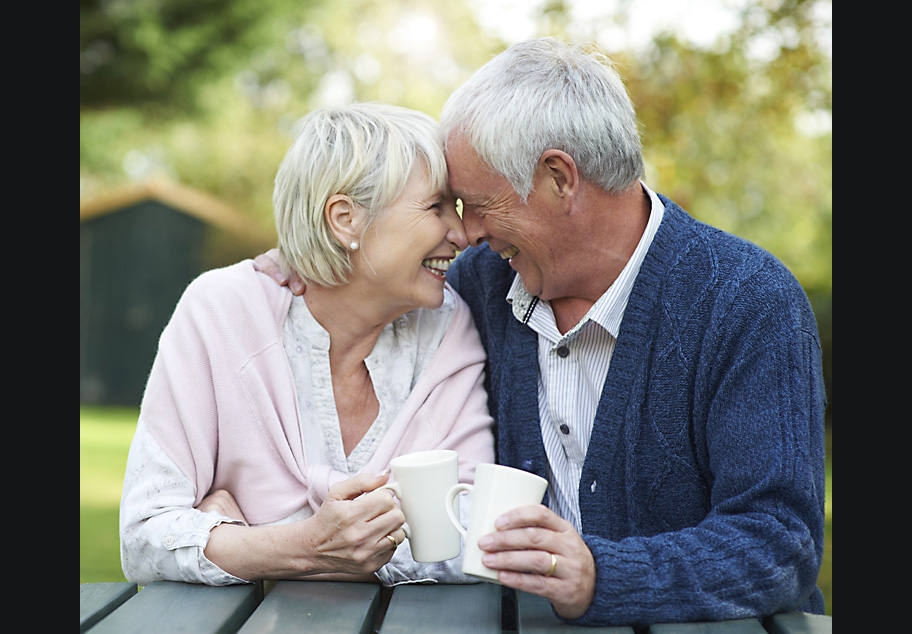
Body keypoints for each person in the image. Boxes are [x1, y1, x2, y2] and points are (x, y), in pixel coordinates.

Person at [256, 37, 827, 628]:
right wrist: (309, 260)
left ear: (559, 177)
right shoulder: (480, 283)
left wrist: (599, 575)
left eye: (477, 203)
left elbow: (780, 544)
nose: (464, 232)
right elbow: (373, 275)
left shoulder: (748, 301)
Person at [120, 102, 495, 588]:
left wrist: (248, 541)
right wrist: (308, 544)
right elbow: (144, 536)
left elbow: (473, 533)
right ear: (345, 219)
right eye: (436, 207)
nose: (461, 234)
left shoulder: (447, 326)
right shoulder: (222, 311)